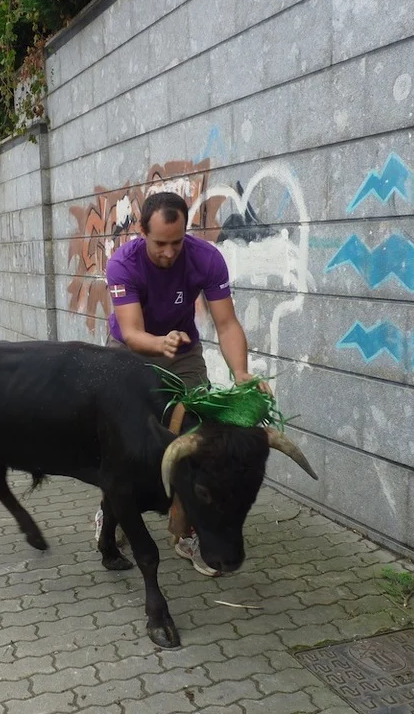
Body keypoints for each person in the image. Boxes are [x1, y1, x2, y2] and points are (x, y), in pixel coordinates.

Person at [104, 191, 267, 577]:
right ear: (142, 231)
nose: (169, 253)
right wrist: (159, 343)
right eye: (160, 243)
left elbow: (226, 324)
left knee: (199, 442)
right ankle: (110, 508)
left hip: (183, 353)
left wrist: (241, 373)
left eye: (176, 242)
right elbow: (132, 332)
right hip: (130, 354)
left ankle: (187, 530)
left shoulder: (206, 259)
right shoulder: (123, 262)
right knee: (122, 443)